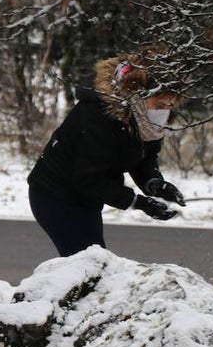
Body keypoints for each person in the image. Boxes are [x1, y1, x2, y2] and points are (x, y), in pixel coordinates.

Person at [27, 48, 185, 257]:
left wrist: (155, 184)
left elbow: (144, 157)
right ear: (137, 94)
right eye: (159, 103)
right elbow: (89, 179)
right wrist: (139, 203)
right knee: (88, 266)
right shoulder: (99, 117)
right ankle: (34, 291)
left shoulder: (144, 119)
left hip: (88, 198)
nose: (164, 110)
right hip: (55, 196)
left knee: (93, 264)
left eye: (170, 104)